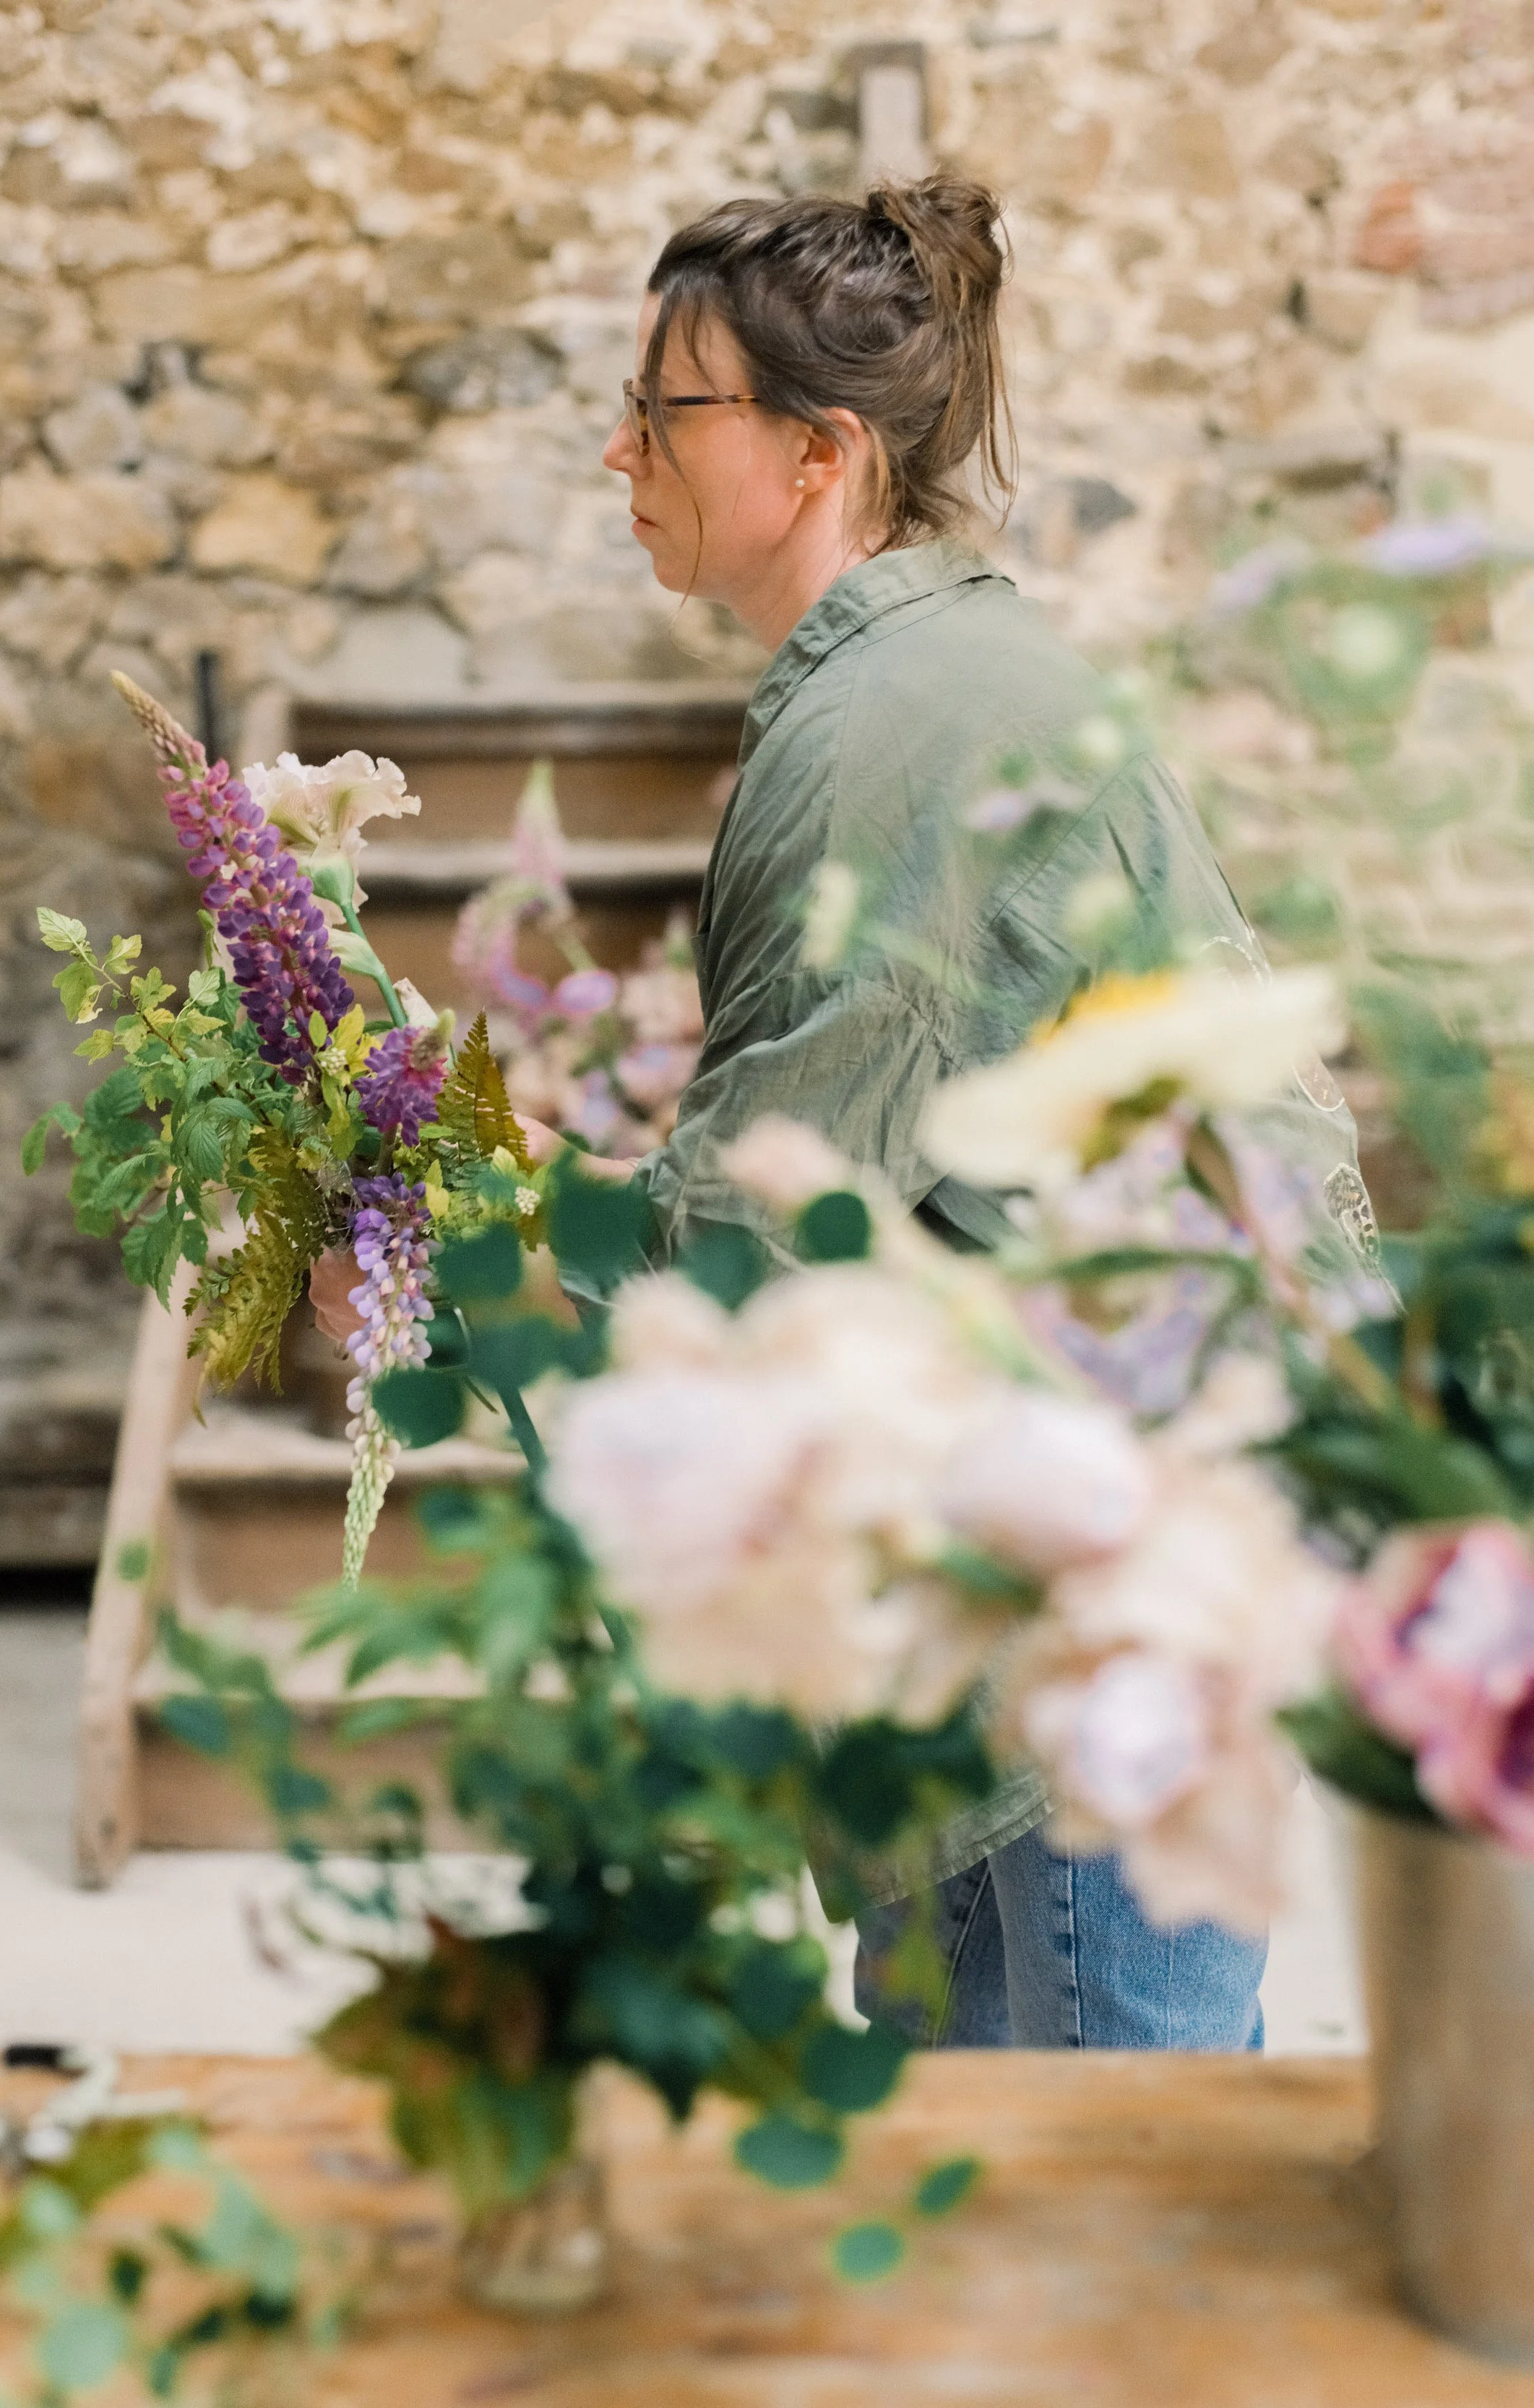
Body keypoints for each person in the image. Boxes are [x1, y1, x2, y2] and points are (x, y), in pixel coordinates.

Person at [507, 176, 1373, 2052]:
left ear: (815, 453)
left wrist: (464, 1299)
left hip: (1102, 1557)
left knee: (1097, 2232)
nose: (619, 449)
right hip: (1025, 1520)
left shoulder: (908, 713)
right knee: (972, 2166)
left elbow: (767, 1214)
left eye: (664, 414)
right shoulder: (900, 677)